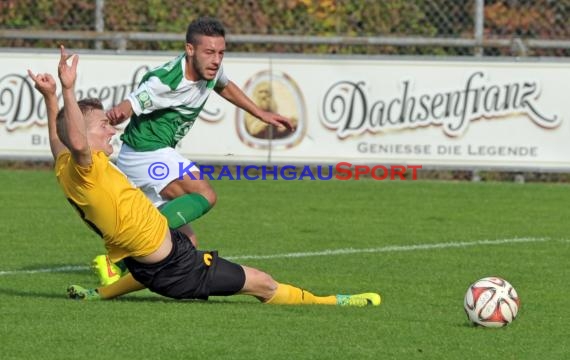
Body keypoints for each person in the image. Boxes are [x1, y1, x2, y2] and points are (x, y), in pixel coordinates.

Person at [27, 45, 380, 307]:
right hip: (175, 269)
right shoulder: (86, 167)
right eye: (103, 126)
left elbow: (60, 141)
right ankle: (331, 302)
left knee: (179, 241)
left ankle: (100, 292)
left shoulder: (65, 169)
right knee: (263, 284)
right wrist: (68, 89)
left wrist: (50, 98)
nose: (112, 131)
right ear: (84, 137)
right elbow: (72, 138)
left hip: (151, 256)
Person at [91, 16, 296, 285]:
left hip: (152, 155)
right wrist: (119, 112)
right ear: (190, 50)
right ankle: (119, 254)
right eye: (209, 52)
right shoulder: (167, 80)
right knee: (204, 194)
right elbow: (135, 100)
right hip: (146, 153)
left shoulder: (210, 71)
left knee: (186, 240)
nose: (216, 60)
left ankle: (116, 275)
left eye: (221, 52)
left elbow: (225, 85)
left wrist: (260, 113)